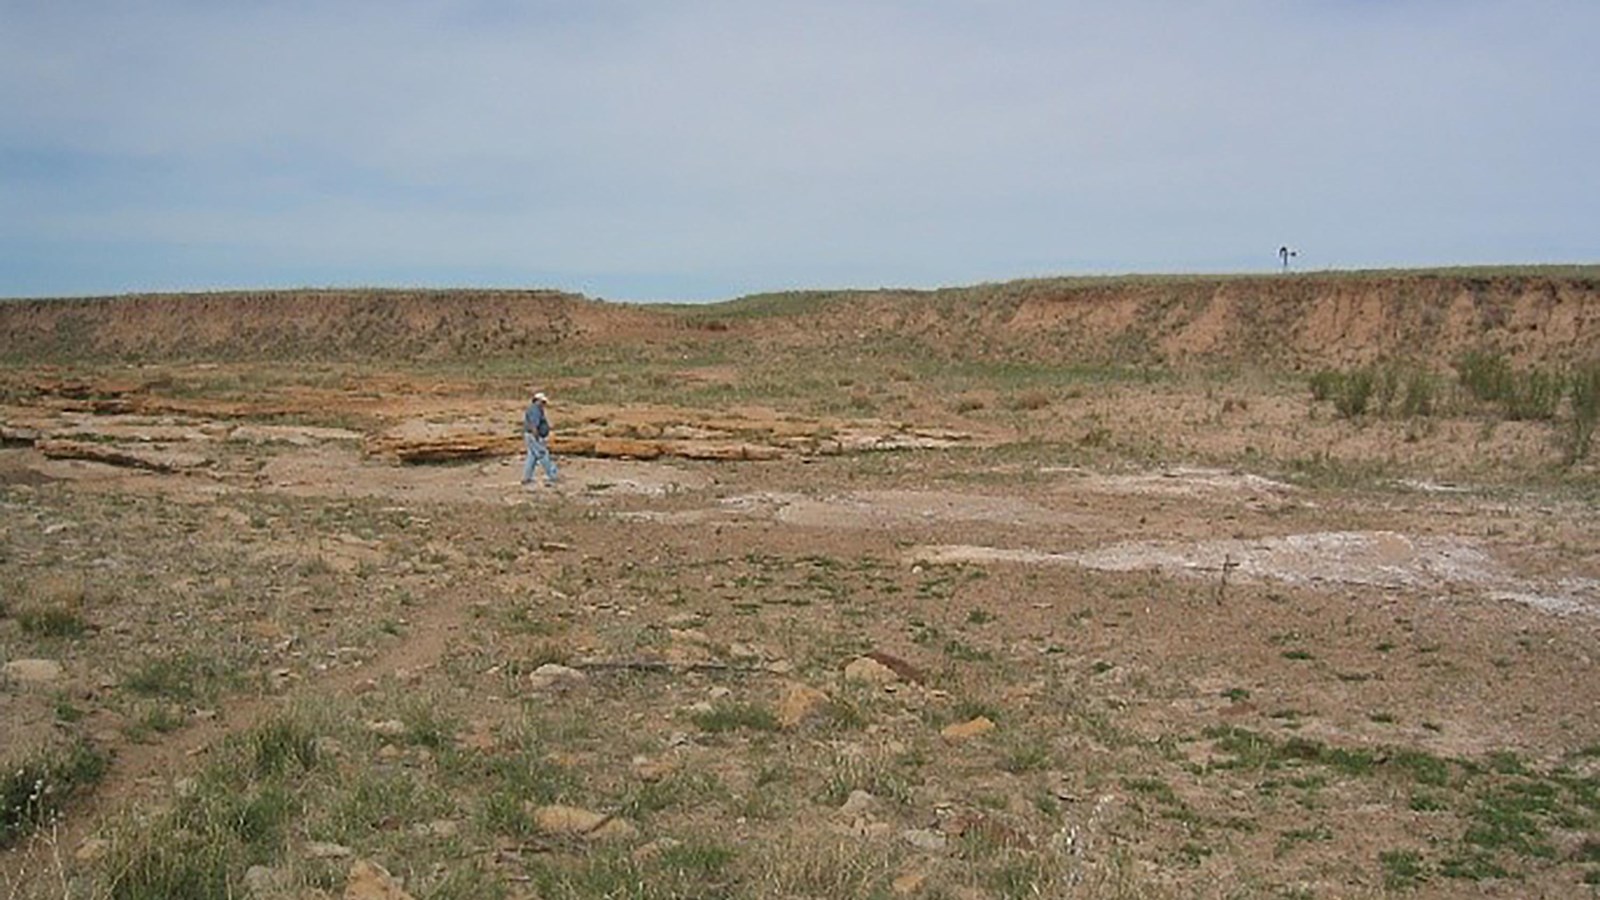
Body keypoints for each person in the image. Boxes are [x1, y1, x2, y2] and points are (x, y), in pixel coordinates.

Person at [521, 391, 559, 488]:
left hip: (530, 436)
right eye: (543, 402)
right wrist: (537, 437)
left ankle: (527, 477)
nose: (544, 405)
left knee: (532, 457)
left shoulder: (535, 409)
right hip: (533, 436)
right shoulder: (535, 410)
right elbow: (534, 425)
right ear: (537, 401)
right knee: (543, 454)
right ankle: (552, 475)